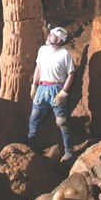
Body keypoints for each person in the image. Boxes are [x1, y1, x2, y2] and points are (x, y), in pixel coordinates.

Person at [27, 26, 75, 162]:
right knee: (34, 118)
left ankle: (69, 150)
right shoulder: (42, 50)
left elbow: (71, 73)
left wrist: (64, 92)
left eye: (52, 35)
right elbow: (38, 68)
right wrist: (34, 85)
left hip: (57, 89)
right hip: (42, 88)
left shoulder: (64, 54)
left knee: (61, 121)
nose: (48, 36)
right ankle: (31, 146)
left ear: (59, 39)